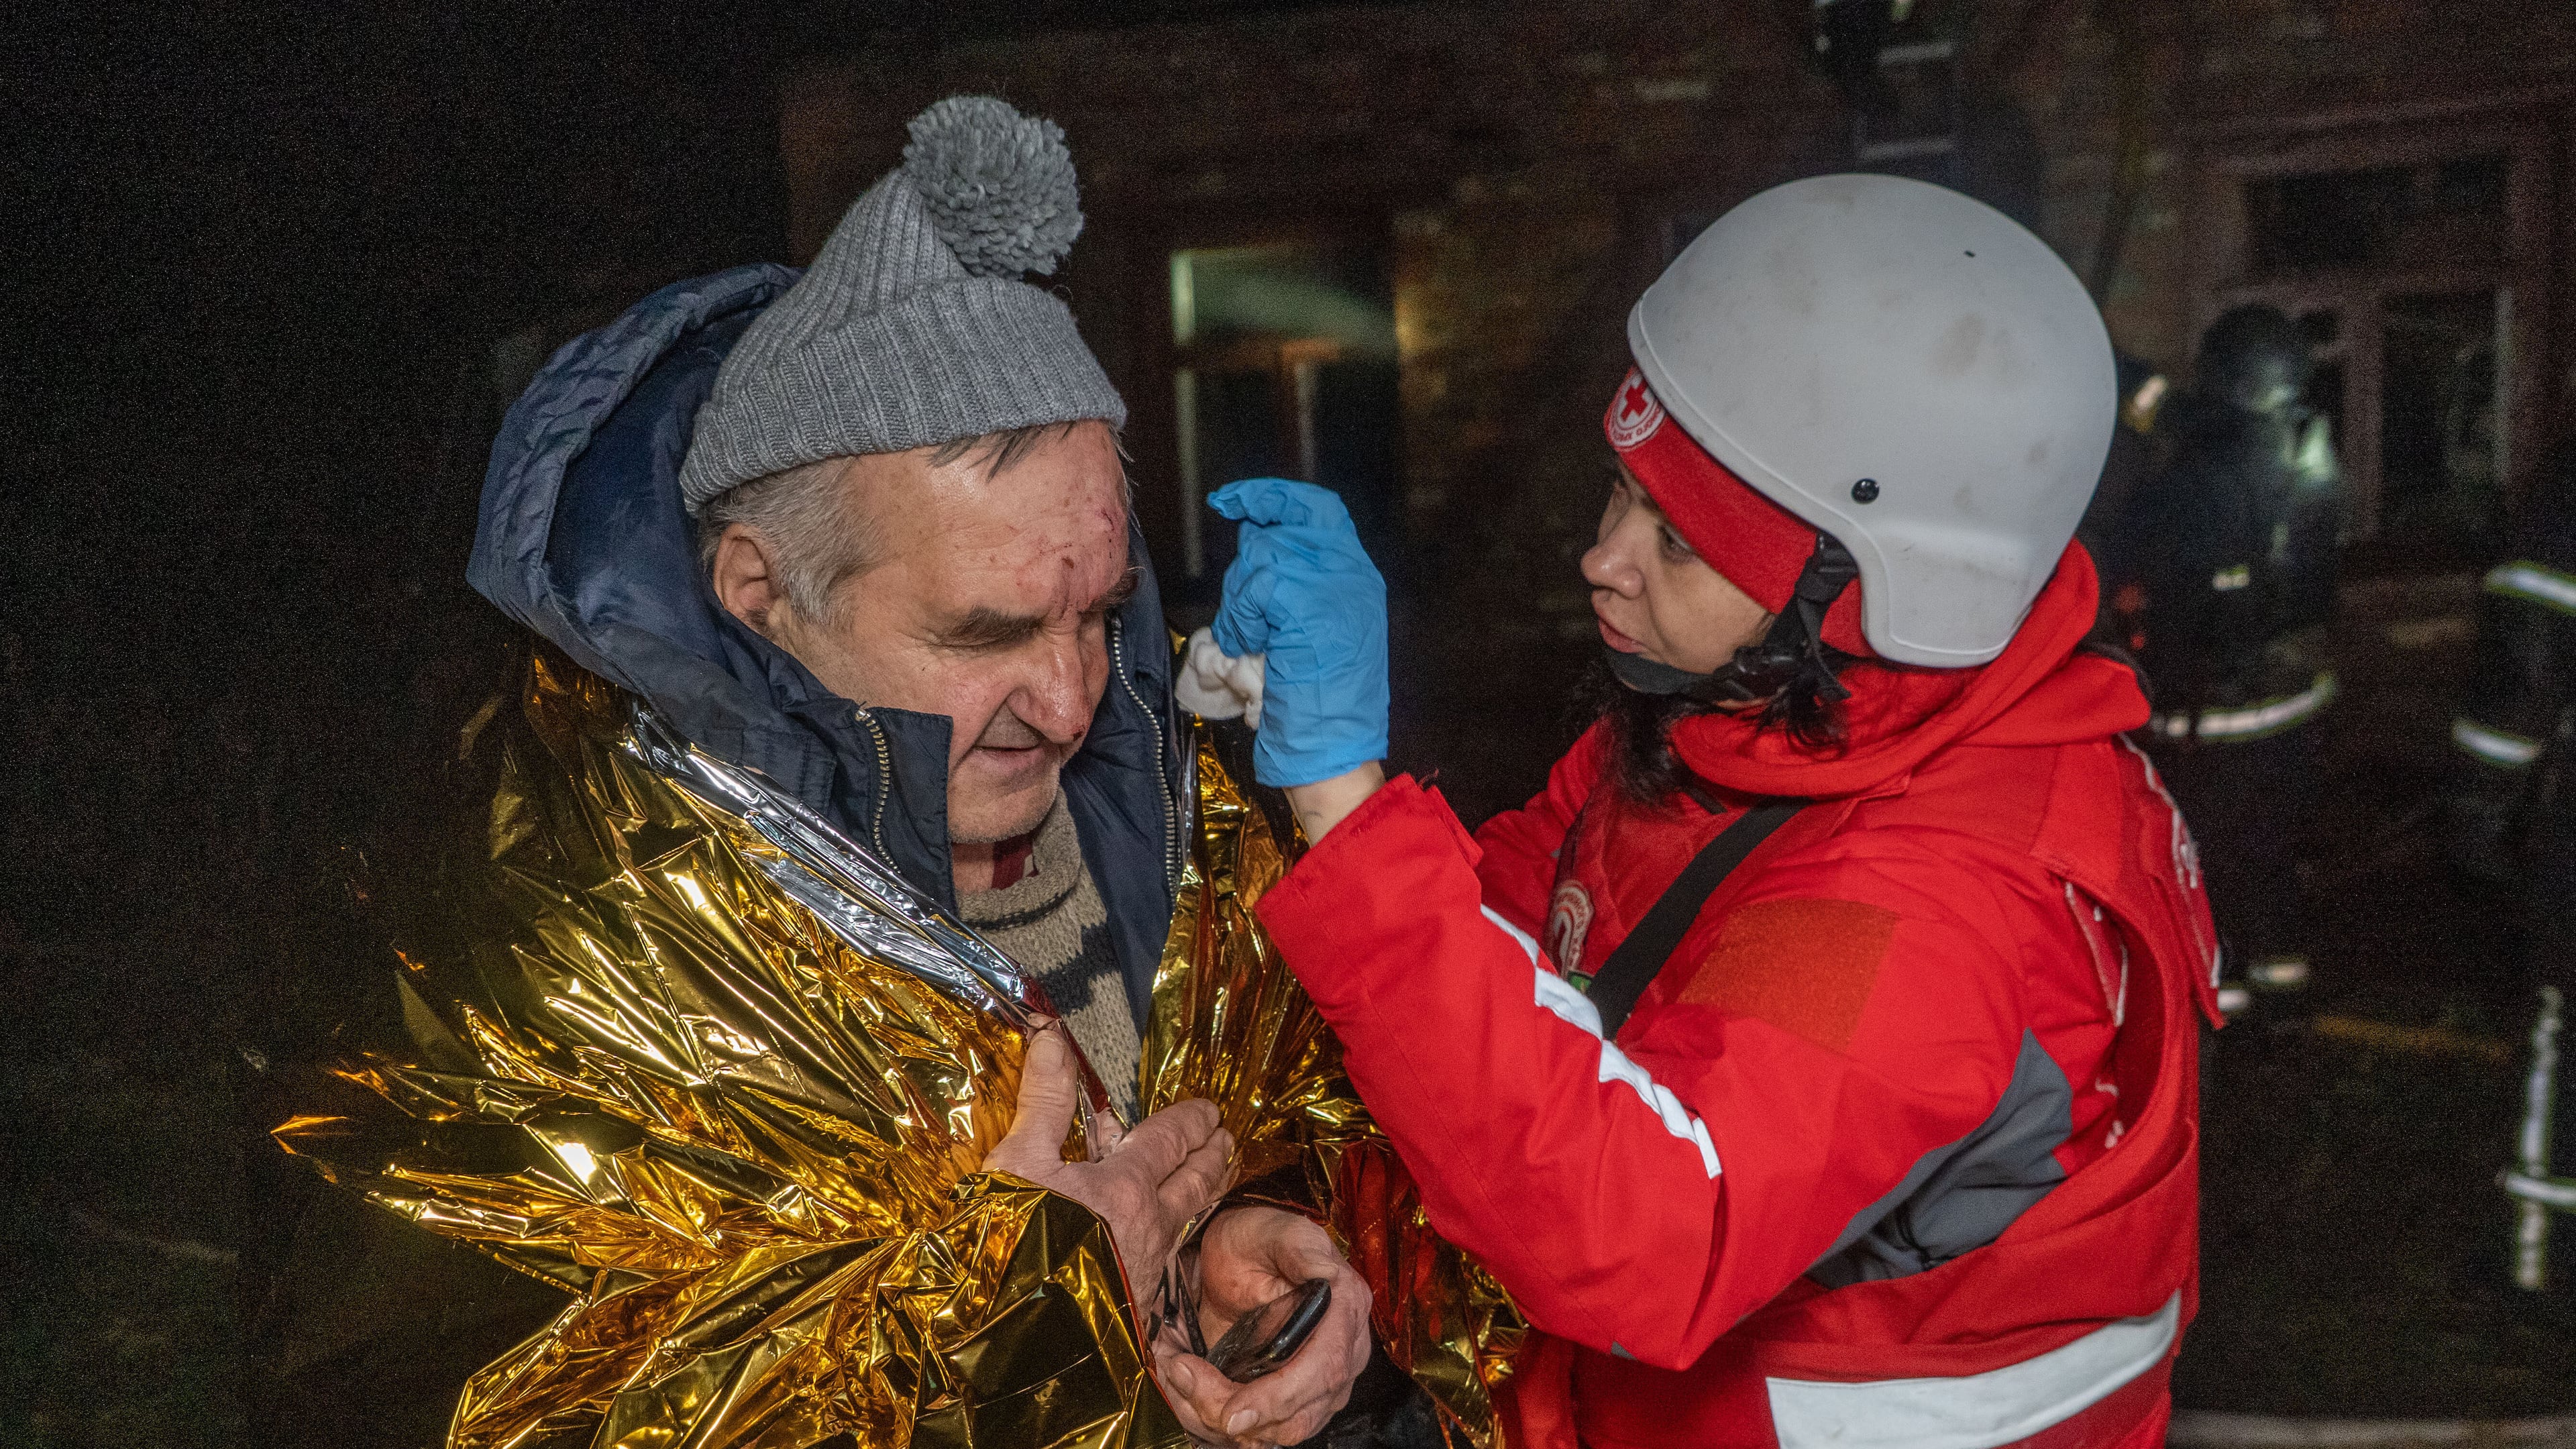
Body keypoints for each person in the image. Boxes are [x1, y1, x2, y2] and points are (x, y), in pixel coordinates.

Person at [252, 95, 1372, 1449]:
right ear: (758, 594)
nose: (1075, 699)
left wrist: (1267, 1239)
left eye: (1096, 612)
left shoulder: (1167, 812)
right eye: (988, 632)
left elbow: (1307, 1113)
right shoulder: (554, 943)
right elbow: (458, 1409)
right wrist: (1012, 1325)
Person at [1196, 175, 2222, 1448]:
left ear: (1862, 593)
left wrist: (1346, 807)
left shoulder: (1947, 895)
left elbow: (1640, 1235)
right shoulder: (1756, 722)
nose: (1602, 557)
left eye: (1677, 539)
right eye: (1621, 491)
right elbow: (1519, 939)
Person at [2107, 305, 2343, 996]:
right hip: (2296, 706)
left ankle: (2222, 1002)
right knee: (2270, 859)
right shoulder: (2311, 456)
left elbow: (2132, 567)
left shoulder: (2192, 484)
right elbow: (2178, 414)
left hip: (2214, 720)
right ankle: (2283, 994)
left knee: (2206, 867)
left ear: (2220, 379)